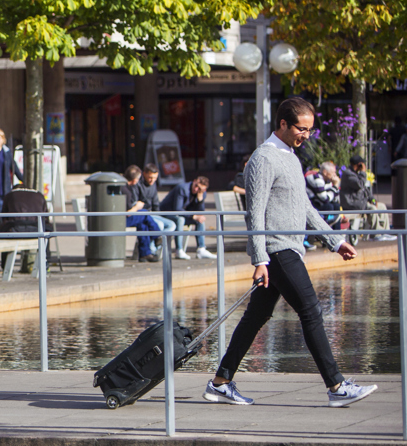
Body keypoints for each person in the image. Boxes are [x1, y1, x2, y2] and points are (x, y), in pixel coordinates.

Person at [205, 96, 376, 408]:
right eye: (301, 128)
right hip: (276, 249)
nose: (306, 135)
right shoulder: (264, 158)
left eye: (310, 130)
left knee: (256, 316)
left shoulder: (291, 157)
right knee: (310, 310)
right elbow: (254, 213)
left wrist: (334, 241)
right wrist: (259, 259)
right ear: (282, 124)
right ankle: (336, 386)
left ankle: (221, 382)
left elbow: (305, 207)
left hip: (288, 248)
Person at [159, 175, 216, 259]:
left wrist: (200, 200)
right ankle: (179, 250)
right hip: (166, 213)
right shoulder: (182, 188)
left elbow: (200, 213)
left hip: (181, 215)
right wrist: (193, 216)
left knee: (200, 221)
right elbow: (177, 209)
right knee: (180, 220)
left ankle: (201, 249)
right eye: (196, 185)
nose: (196, 189)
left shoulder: (201, 194)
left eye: (200, 189)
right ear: (194, 181)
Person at [339, 154, 392, 237]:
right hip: (352, 204)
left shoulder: (357, 174)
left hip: (360, 202)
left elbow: (365, 190)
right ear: (358, 164)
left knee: (382, 206)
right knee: (372, 209)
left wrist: (373, 200)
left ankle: (385, 232)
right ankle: (376, 234)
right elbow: (359, 184)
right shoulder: (348, 174)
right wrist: (363, 172)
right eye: (362, 164)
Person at [123, 165, 160, 262]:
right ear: (135, 180)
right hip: (121, 219)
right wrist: (137, 207)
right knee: (144, 213)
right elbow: (128, 212)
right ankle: (157, 235)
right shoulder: (125, 190)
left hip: (121, 218)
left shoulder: (125, 187)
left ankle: (145, 254)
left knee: (143, 223)